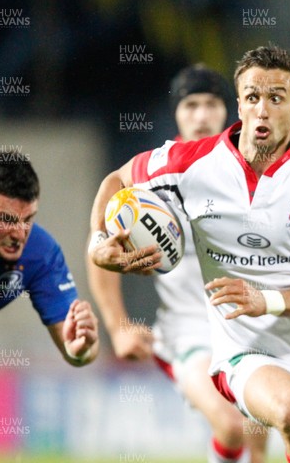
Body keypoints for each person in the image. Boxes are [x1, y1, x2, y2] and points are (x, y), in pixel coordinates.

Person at [89, 45, 290, 462]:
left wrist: (266, 301)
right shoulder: (190, 164)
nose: (262, 110)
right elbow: (117, 180)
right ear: (239, 104)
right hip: (246, 352)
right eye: (253, 97)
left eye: (276, 98)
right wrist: (100, 244)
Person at [87, 64, 269, 463]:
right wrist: (119, 327)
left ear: (230, 111)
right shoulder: (155, 178)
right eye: (191, 105)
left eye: (211, 104)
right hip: (188, 333)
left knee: (257, 438)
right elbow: (100, 249)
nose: (201, 115)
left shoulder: (255, 172)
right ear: (177, 114)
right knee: (231, 425)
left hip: (250, 327)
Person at [0, 153, 99, 463]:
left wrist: (81, 346)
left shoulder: (39, 255)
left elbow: (74, 349)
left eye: (28, 219)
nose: (19, 234)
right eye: (6, 219)